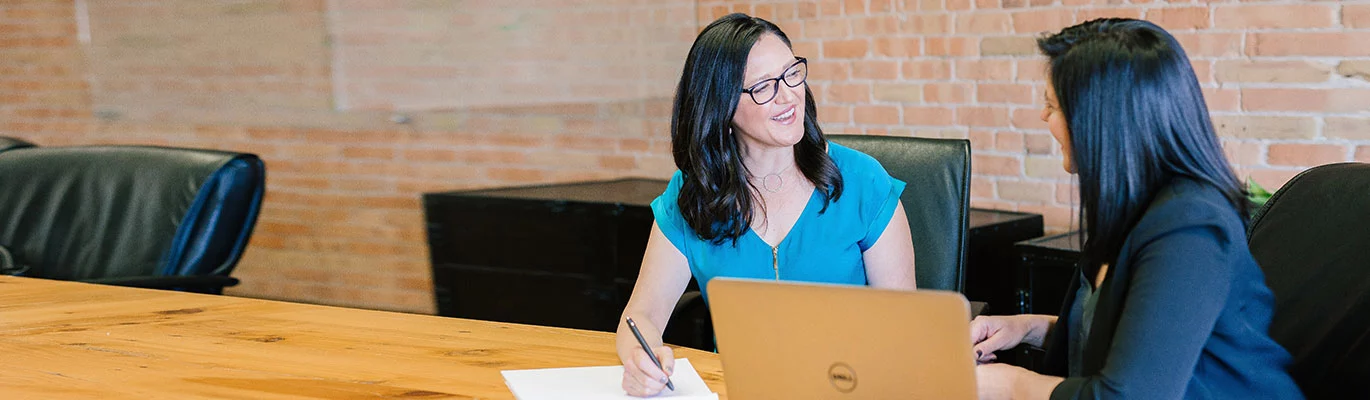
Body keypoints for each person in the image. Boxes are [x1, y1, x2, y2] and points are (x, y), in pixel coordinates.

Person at [969, 19, 1304, 399]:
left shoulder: (1190, 228)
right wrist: (1027, 328)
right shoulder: (1130, 210)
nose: (1043, 117)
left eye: (1051, 105)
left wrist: (1011, 384)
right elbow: (1126, 339)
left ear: (1100, 119)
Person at [615, 13, 918, 397]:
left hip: (850, 388)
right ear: (721, 107)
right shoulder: (692, 196)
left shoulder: (863, 182)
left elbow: (904, 327)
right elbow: (640, 315)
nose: (789, 94)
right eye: (763, 87)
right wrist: (640, 361)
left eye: (792, 73)